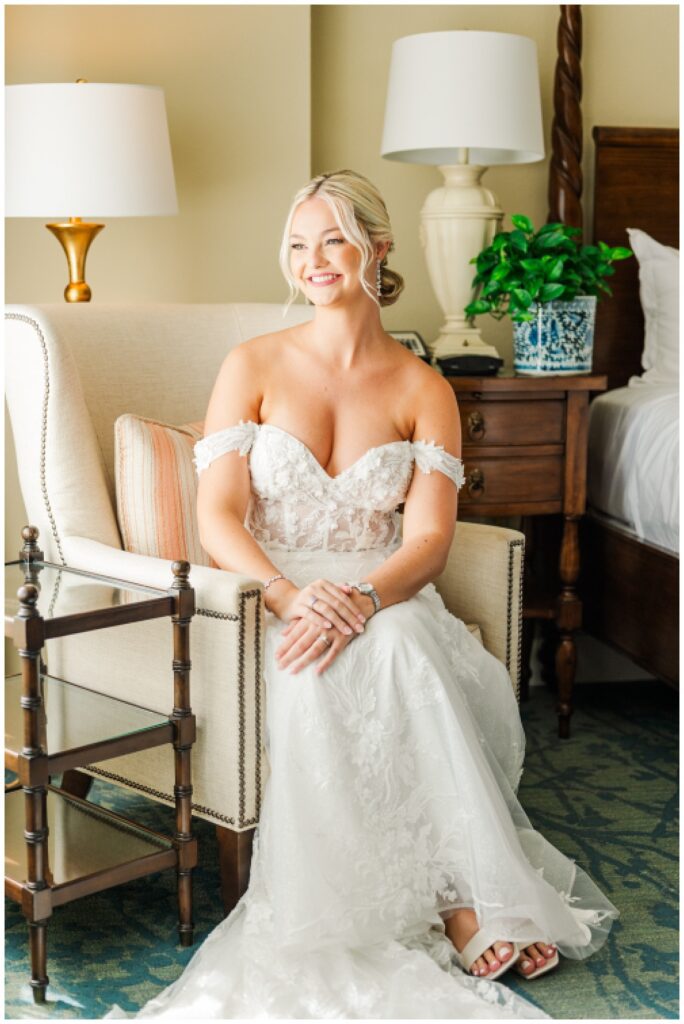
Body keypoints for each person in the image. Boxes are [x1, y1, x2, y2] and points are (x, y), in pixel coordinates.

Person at [119, 170, 618, 1019]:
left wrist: (360, 599)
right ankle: (452, 905)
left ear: (376, 251)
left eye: (335, 240)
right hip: (265, 591)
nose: (314, 260)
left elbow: (426, 541)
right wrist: (286, 596)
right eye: (299, 242)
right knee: (316, 668)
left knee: (401, 649)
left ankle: (465, 893)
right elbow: (219, 514)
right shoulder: (253, 365)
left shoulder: (425, 388)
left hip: (381, 590)